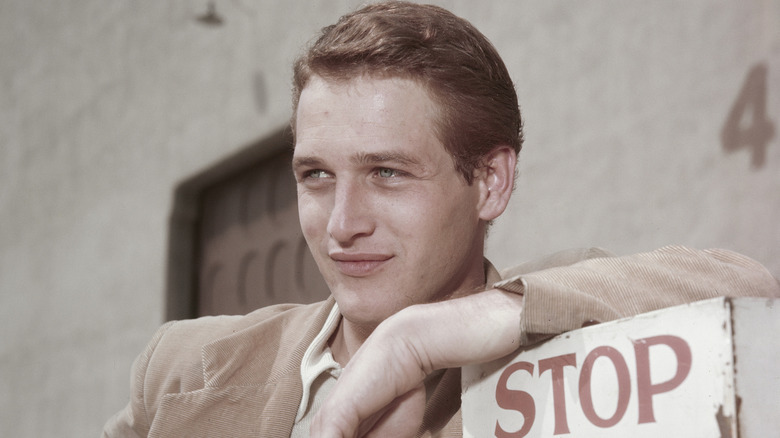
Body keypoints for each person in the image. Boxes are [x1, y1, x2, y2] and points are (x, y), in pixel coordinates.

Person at [103, 2, 780, 437]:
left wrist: (417, 342)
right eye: (316, 176)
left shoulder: (568, 355)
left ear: (489, 182)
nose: (342, 223)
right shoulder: (185, 370)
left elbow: (746, 291)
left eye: (387, 174)